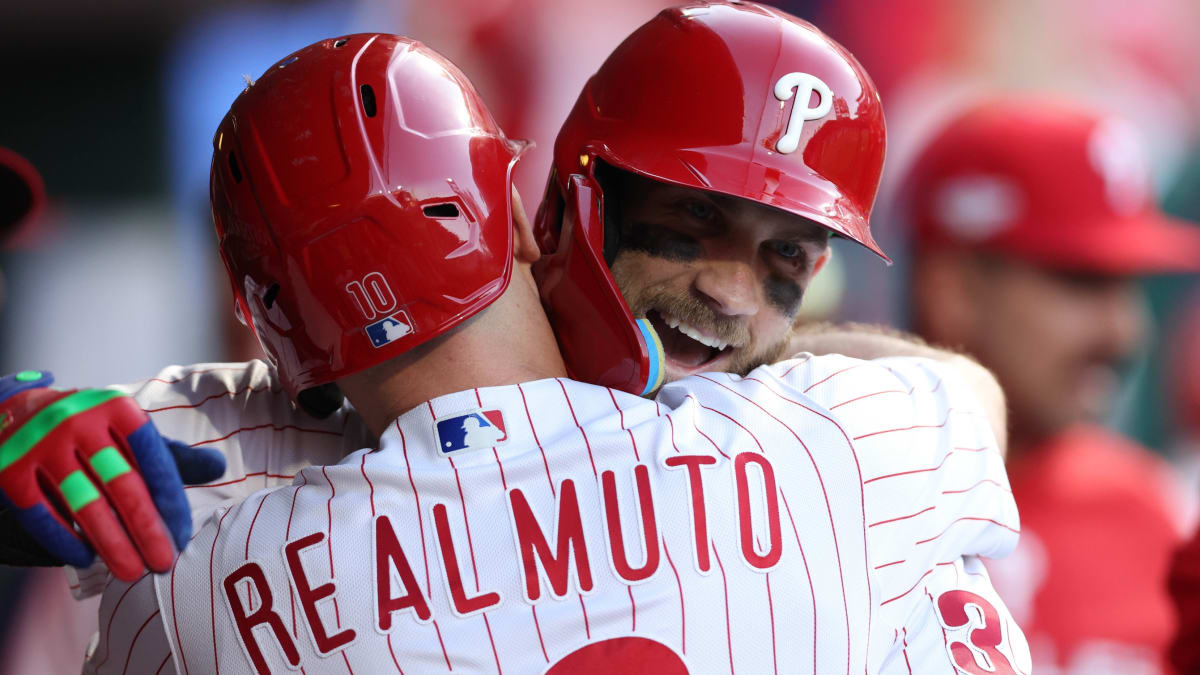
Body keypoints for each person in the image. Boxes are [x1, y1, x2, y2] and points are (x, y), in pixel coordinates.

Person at [2, 4, 1024, 671]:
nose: (727, 291)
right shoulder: (833, 452)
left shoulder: (198, 560)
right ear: (547, 209)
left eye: (788, 258)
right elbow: (963, 394)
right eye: (687, 226)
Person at [904, 98, 1200, 673]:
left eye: (1128, 287)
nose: (1124, 332)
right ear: (953, 288)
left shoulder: (1167, 515)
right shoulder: (830, 496)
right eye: (1080, 281)